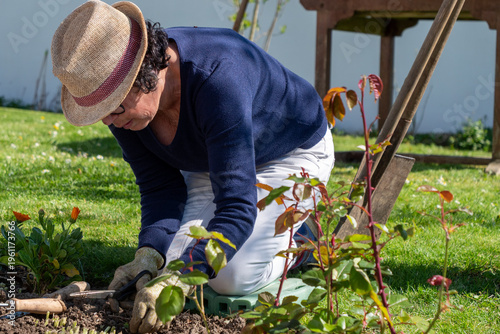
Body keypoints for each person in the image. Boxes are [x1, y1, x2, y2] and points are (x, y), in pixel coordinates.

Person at [51, 1, 334, 332]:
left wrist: (181, 279)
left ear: (146, 73)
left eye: (112, 108)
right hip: (210, 161)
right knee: (174, 263)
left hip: (291, 153)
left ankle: (304, 241)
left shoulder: (217, 80)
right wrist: (149, 254)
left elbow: (237, 206)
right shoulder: (124, 111)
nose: (108, 121)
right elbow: (160, 187)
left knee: (231, 277)